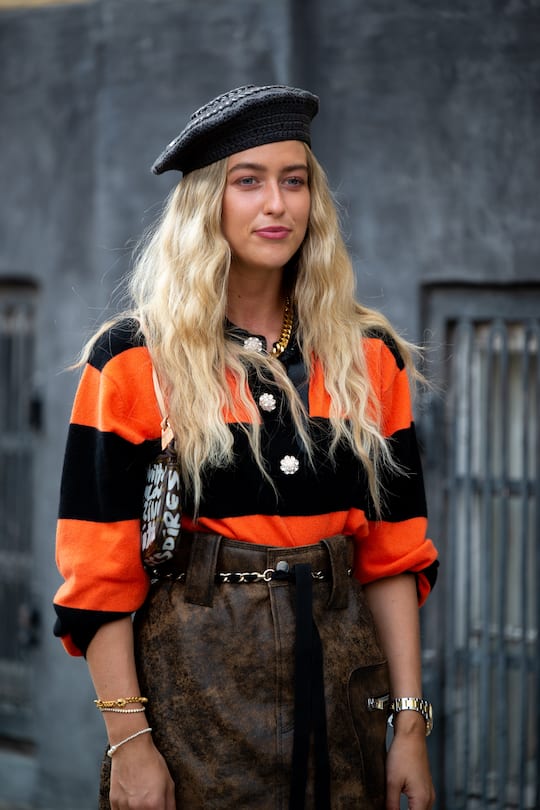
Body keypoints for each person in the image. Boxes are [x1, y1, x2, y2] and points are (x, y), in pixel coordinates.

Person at [53, 84, 438, 810]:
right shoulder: (133, 359)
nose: (277, 205)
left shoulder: (368, 356)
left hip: (343, 699)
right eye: (248, 181)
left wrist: (410, 727)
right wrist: (130, 744)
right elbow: (98, 576)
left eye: (294, 181)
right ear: (207, 203)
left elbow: (393, 557)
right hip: (192, 702)